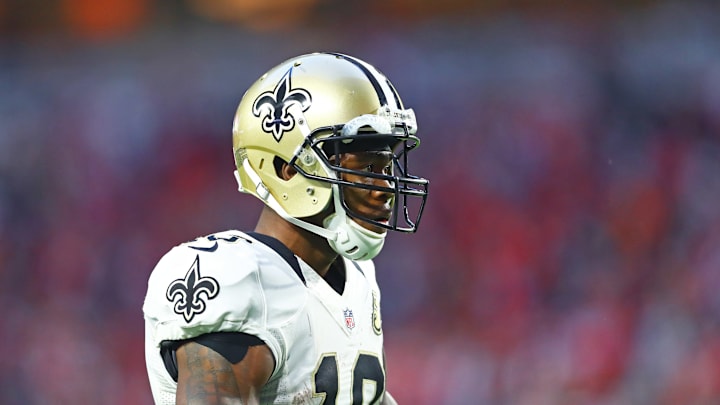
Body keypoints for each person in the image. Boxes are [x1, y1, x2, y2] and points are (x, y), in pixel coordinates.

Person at [143, 52, 429, 404]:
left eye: (386, 168)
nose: (384, 187)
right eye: (368, 166)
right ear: (287, 169)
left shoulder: (358, 279)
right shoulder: (238, 277)